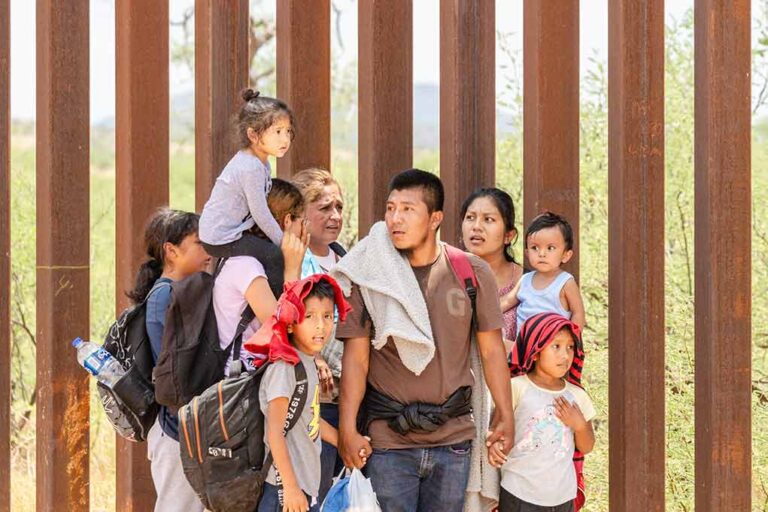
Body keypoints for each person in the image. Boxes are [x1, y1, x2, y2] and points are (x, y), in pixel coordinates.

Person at [332, 169, 514, 512]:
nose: (394, 219)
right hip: (388, 442)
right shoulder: (370, 275)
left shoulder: (471, 272)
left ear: (435, 218)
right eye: (390, 208)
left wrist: (505, 415)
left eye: (407, 209)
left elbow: (492, 353)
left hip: (454, 440)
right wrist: (347, 429)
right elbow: (356, 359)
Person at [126, 208, 210, 512]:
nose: (208, 250)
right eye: (200, 243)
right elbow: (175, 369)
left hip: (187, 427)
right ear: (171, 251)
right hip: (177, 431)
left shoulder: (181, 291)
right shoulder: (165, 296)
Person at [249, 275, 353, 512]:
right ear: (289, 323)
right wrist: (290, 487)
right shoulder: (284, 368)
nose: (321, 326)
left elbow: (310, 419)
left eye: (327, 316)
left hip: (304, 486)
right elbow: (274, 433)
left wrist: (344, 443)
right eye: (309, 316)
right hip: (283, 490)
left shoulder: (307, 363)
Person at [490, 312, 595, 512]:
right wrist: (494, 445)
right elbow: (497, 431)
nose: (565, 355)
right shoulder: (516, 388)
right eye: (556, 346)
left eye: (570, 347)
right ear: (535, 351)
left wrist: (579, 425)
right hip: (518, 493)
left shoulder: (577, 396)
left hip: (563, 497)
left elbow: (587, 446)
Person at [199, 89, 295, 299]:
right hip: (220, 235)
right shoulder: (250, 167)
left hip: (231, 228)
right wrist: (282, 242)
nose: (285, 139)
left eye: (288, 131)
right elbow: (259, 212)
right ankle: (276, 306)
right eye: (277, 131)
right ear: (253, 135)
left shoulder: (260, 162)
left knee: (267, 250)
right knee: (274, 255)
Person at [212, 178, 308, 377]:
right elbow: (285, 328)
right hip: (242, 381)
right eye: (302, 221)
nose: (305, 231)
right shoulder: (246, 266)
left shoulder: (244, 256)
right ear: (287, 221)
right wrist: (292, 269)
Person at [291, 167, 347, 502]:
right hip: (314, 400)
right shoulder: (294, 260)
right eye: (324, 208)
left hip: (348, 397)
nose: (335, 216)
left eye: (339, 207)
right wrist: (313, 357)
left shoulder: (346, 258)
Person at [500, 212, 586, 333]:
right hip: (524, 347)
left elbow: (578, 313)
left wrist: (573, 341)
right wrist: (480, 313)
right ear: (527, 253)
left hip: (553, 347)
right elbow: (507, 301)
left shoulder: (565, 282)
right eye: (535, 248)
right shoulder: (525, 280)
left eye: (550, 248)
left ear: (566, 255)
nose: (541, 254)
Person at [460, 187, 523, 350]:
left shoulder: (528, 282)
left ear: (509, 235)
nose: (476, 226)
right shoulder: (448, 277)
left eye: (488, 219)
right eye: (470, 217)